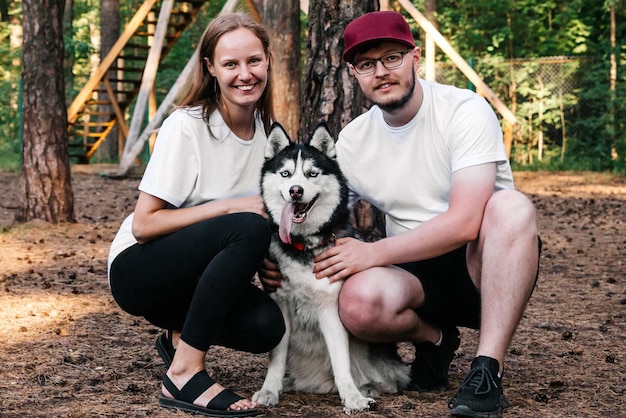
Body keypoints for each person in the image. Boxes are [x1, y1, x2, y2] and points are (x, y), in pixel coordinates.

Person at [261, 10, 541, 418]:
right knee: (357, 301)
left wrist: (372, 253)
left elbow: (466, 221)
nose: (381, 72)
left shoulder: (464, 110)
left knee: (511, 207)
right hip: (413, 274)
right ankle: (436, 339)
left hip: (483, 265)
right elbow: (318, 206)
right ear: (354, 73)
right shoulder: (355, 139)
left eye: (392, 58)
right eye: (367, 64)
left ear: (414, 56)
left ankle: (487, 369)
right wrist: (274, 253)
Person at [107, 12, 285, 417]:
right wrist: (231, 210)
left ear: (269, 60)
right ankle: (185, 374)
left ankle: (177, 337)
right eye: (230, 64)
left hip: (192, 278)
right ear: (211, 68)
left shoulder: (268, 133)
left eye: (254, 61)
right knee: (248, 222)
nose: (245, 74)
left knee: (266, 327)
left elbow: (241, 227)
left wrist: (261, 256)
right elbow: (144, 223)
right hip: (138, 270)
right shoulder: (186, 126)